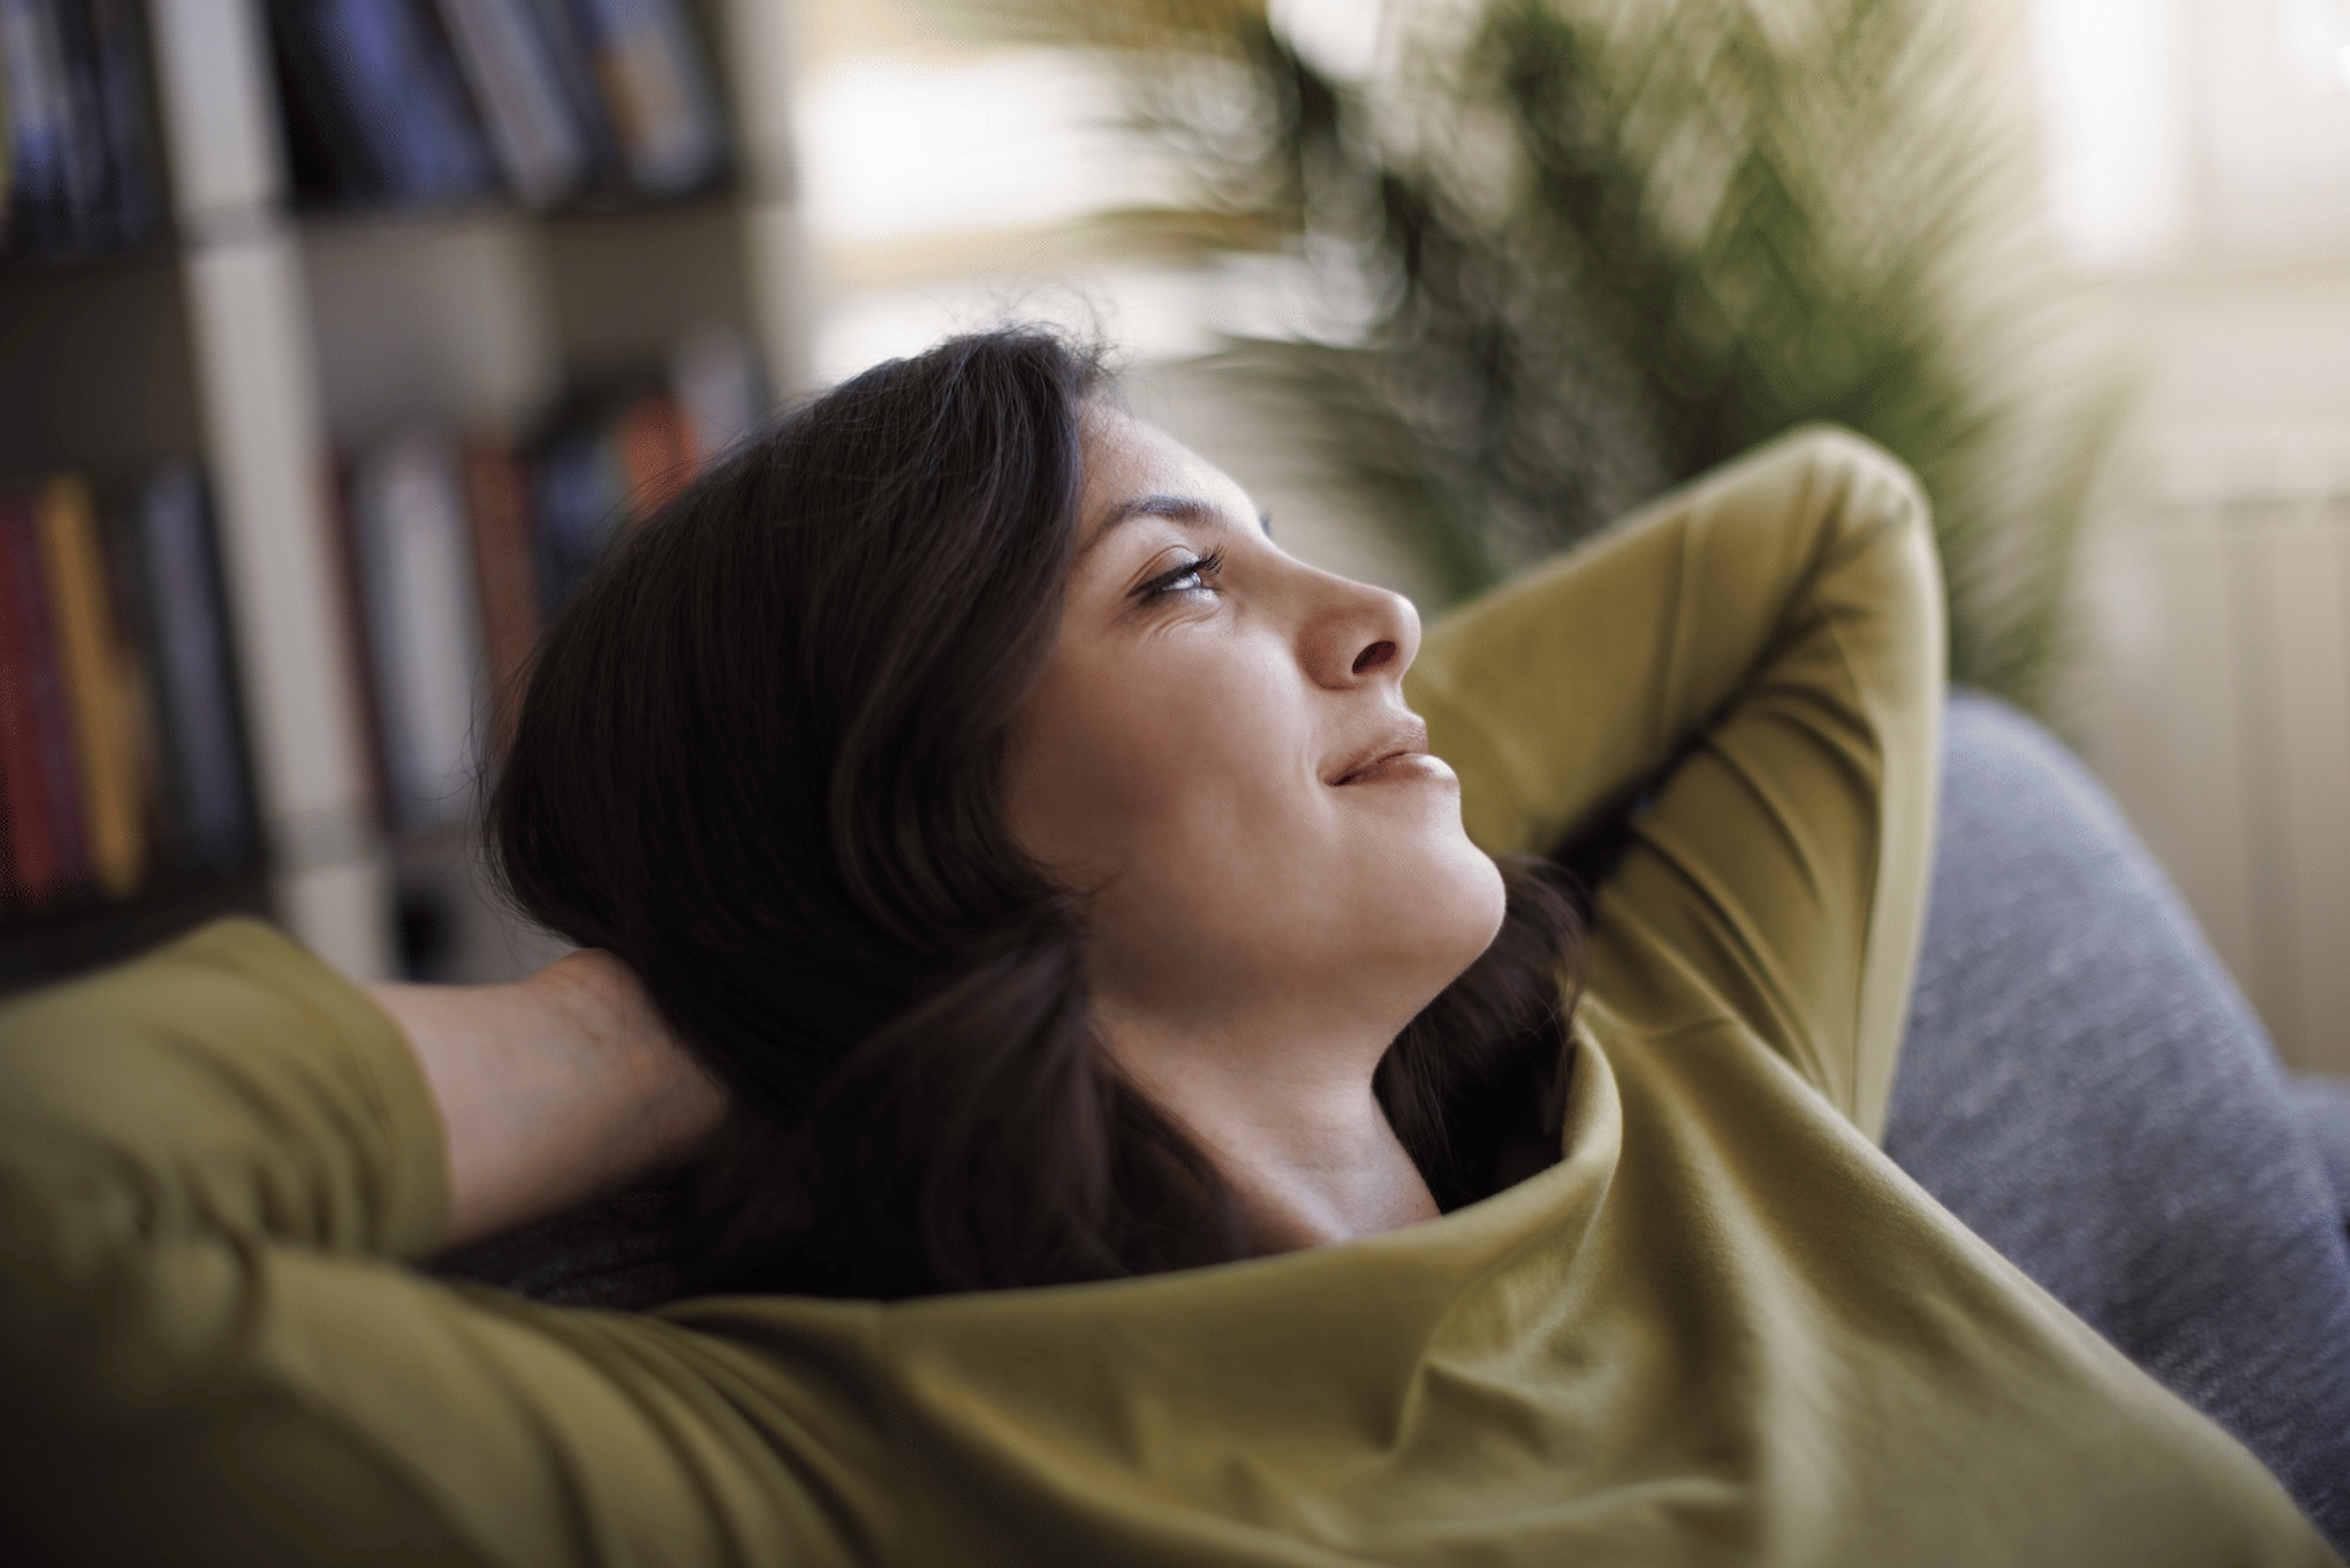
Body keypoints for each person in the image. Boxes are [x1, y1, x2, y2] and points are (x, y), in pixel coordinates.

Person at [0, 329, 2335, 1564]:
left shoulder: (1704, 1080)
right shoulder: (834, 1483)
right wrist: (702, 994)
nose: (1387, 621)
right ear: (914, 821)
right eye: (1185, 583)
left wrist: (1336, 769)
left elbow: (1836, 538)